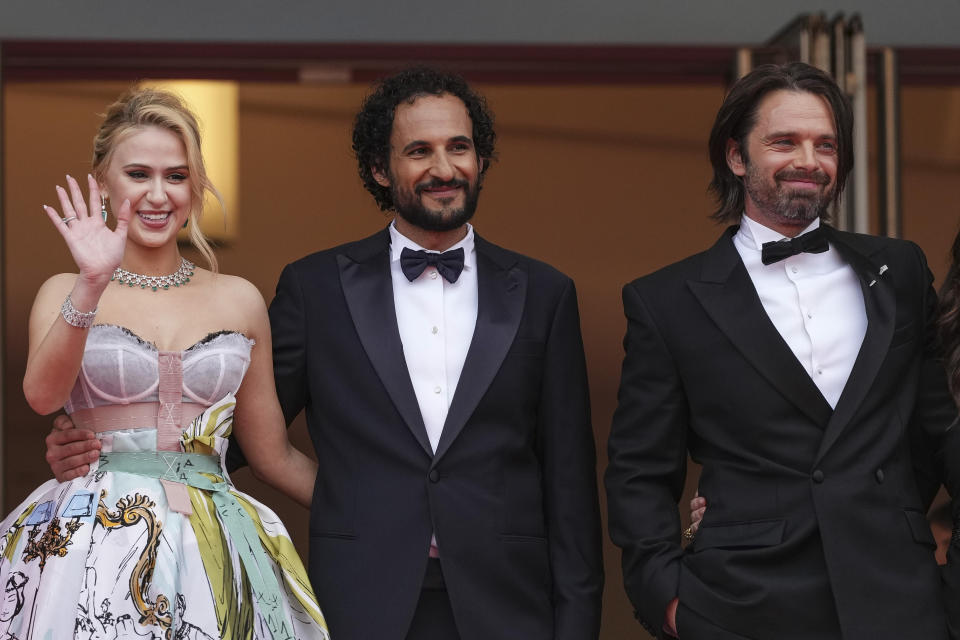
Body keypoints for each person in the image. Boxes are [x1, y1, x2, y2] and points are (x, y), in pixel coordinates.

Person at [44, 68, 605, 640]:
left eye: (458, 147)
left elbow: (570, 483)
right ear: (379, 169)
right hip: (362, 596)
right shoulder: (316, 289)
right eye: (419, 151)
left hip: (509, 599)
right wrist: (104, 442)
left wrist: (579, 623)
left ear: (480, 159)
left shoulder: (545, 292)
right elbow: (233, 429)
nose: (443, 168)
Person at [605, 61, 960, 639]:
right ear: (737, 156)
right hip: (739, 606)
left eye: (825, 144)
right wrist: (668, 599)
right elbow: (640, 471)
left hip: (899, 601)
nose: (807, 161)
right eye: (784, 141)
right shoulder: (664, 301)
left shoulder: (900, 270)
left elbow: (939, 431)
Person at [5, 88, 329, 639]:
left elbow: (273, 455)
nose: (158, 194)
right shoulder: (64, 288)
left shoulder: (240, 299)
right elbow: (42, 395)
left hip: (216, 543)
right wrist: (91, 283)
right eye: (138, 174)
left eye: (177, 176)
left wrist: (384, 513)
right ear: (103, 181)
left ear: (196, 185)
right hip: (92, 539)